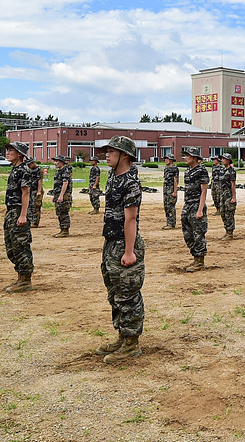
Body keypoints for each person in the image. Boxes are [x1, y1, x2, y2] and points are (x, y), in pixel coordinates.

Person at [94, 136, 145, 362]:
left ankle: (132, 343)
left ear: (125, 154)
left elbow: (131, 219)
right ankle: (122, 337)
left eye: (111, 151)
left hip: (125, 244)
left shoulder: (130, 183)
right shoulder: (113, 177)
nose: (106, 154)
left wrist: (129, 251)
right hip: (111, 242)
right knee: (114, 293)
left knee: (128, 294)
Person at [2, 142, 35, 293]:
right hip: (11, 211)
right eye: (7, 150)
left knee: (21, 246)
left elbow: (26, 193)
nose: (7, 152)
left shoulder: (24, 170)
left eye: (11, 150)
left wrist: (23, 215)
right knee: (12, 247)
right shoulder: (15, 170)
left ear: (20, 154)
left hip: (18, 211)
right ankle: (20, 277)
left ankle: (26, 280)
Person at [181, 147, 210, 272]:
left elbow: (203, 191)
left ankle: (200, 261)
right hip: (188, 205)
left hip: (197, 205)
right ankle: (195, 257)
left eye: (187, 156)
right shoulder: (188, 171)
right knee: (188, 233)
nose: (185, 158)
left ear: (194, 157)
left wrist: (200, 210)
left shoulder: (201, 171)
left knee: (198, 233)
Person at [50, 155, 73, 238]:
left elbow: (65, 183)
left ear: (62, 162)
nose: (55, 163)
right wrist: (55, 195)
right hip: (58, 194)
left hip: (64, 195)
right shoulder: (58, 171)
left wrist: (61, 196)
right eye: (55, 161)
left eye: (57, 161)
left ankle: (65, 230)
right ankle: (62, 229)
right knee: (59, 212)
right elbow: (57, 185)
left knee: (63, 212)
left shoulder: (65, 170)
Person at [218, 153, 238, 240]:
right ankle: (226, 230)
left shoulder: (232, 171)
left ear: (228, 160)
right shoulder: (222, 170)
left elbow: (233, 185)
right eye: (222, 159)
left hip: (229, 194)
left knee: (229, 213)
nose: (222, 160)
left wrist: (233, 197)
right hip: (222, 195)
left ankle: (230, 233)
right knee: (222, 212)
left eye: (224, 159)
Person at [162, 154, 178, 229]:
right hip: (166, 189)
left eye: (167, 159)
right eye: (165, 159)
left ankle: (172, 223)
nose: (166, 160)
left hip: (171, 189)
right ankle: (168, 222)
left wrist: (175, 191)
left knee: (171, 206)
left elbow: (175, 180)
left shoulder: (174, 168)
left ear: (171, 160)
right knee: (166, 206)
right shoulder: (166, 168)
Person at [27, 159, 44, 229]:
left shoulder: (38, 170)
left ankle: (35, 222)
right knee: (29, 206)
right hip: (31, 190)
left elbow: (40, 180)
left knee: (35, 206)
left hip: (36, 190)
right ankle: (30, 221)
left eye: (29, 165)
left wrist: (39, 191)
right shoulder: (31, 170)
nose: (28, 166)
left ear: (33, 163)